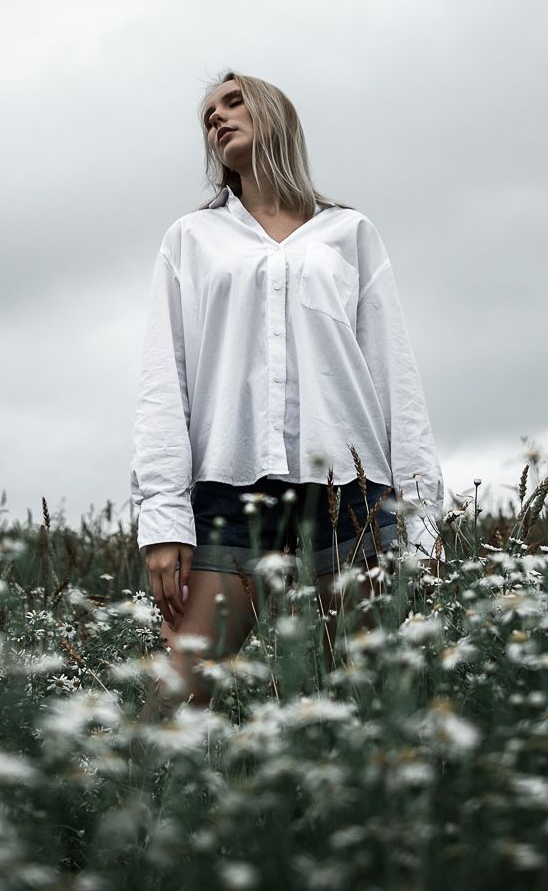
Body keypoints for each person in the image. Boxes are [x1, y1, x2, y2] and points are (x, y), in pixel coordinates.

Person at [128, 69, 448, 719]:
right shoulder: (190, 239)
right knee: (176, 701)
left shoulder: (349, 233)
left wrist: (421, 520)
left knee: (362, 704)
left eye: (233, 102)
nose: (217, 118)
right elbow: (165, 380)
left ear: (274, 114)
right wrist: (163, 517)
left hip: (349, 497)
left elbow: (395, 377)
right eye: (208, 115)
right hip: (230, 492)